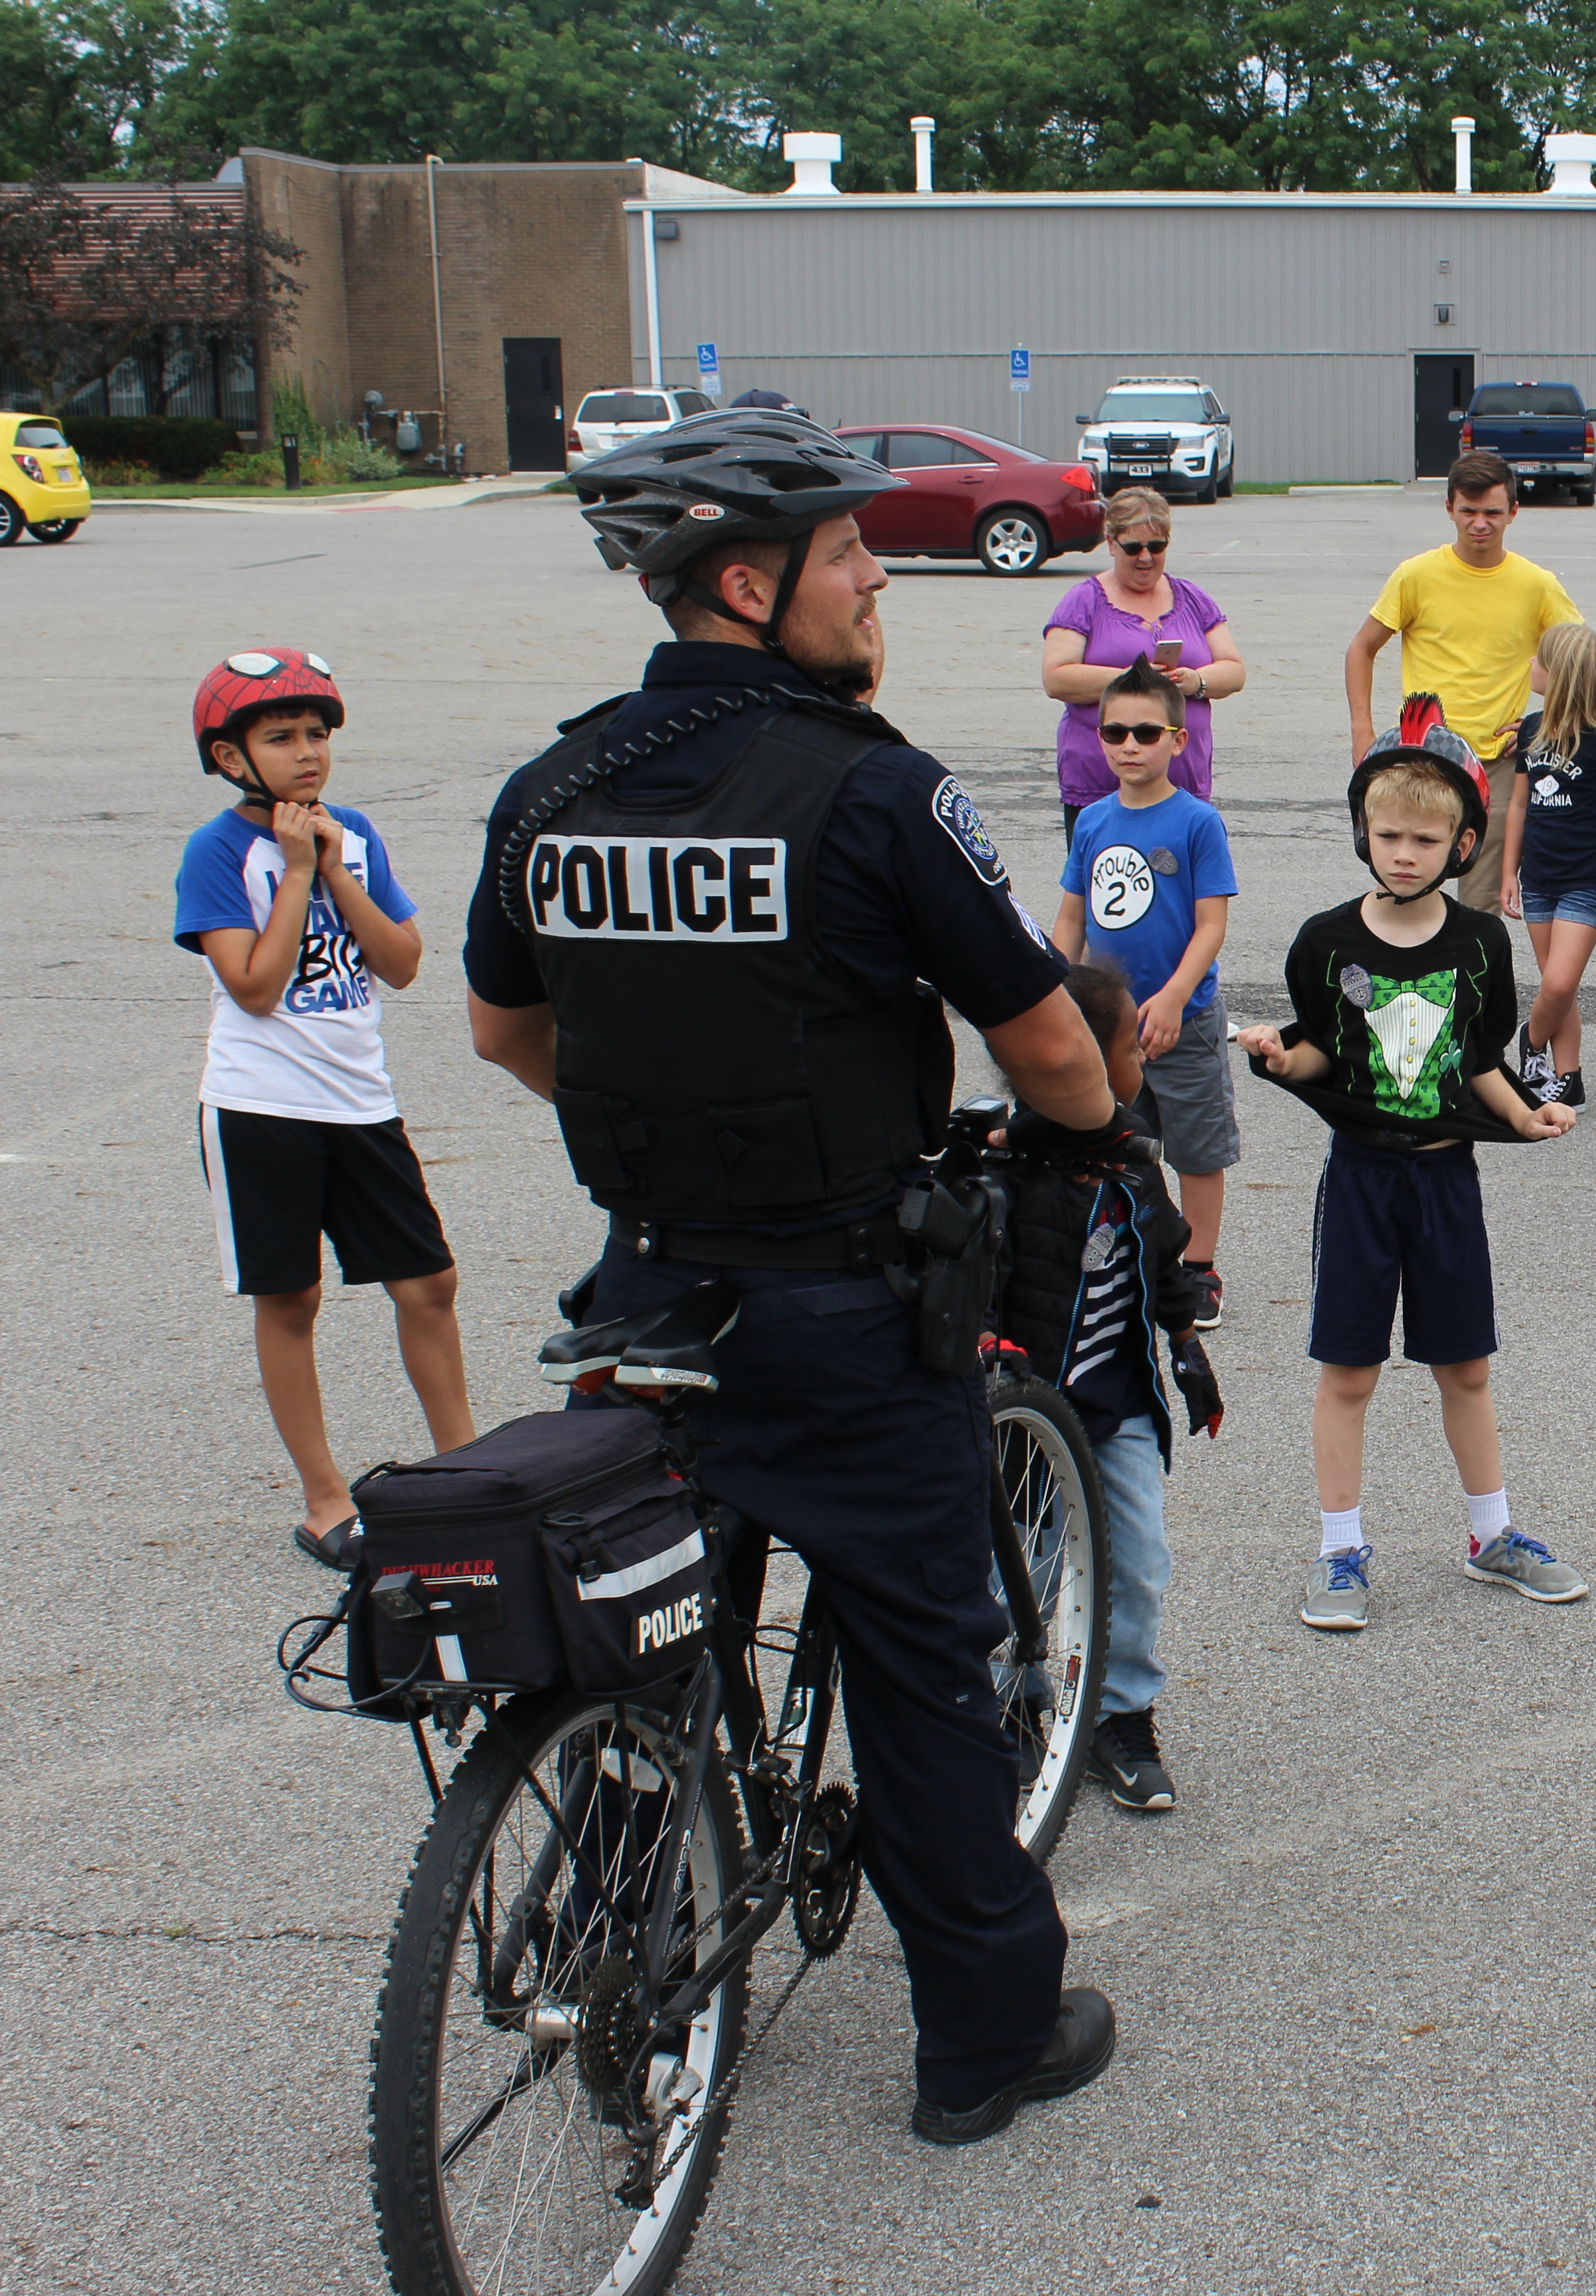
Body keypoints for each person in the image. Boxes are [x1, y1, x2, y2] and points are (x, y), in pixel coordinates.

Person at [464, 406, 1124, 2148]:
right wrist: (1085, 1127)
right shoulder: (876, 785)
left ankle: (632, 1938)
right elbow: (1050, 1043)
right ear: (747, 585)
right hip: (845, 1314)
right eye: (848, 556)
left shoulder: (558, 786)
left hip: (647, 1296)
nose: (876, 583)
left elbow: (500, 1027)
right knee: (925, 1674)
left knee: (649, 1638)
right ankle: (985, 2038)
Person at [1232, 705, 1583, 1634]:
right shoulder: (1323, 941)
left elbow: (1477, 1061)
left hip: (1445, 1180)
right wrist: (1278, 1054)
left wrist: (1526, 1112)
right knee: (1349, 1372)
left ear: (1462, 844)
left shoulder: (1479, 943)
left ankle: (1492, 1536)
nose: (1404, 854)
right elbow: (1319, 1056)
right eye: (1388, 836)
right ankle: (1339, 1550)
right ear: (1364, 834)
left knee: (1465, 1367)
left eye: (1425, 840)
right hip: (1360, 1181)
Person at [172, 648, 474, 1569]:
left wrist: (338, 867)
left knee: (428, 1283)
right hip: (260, 1106)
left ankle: (467, 1479)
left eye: (316, 733)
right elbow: (255, 987)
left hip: (360, 1101)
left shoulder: (358, 835)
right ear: (231, 759)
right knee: (292, 1296)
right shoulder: (221, 851)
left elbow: (405, 961)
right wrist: (297, 872)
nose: (307, 753)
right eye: (280, 737)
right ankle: (324, 1497)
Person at [998, 959, 1226, 1814]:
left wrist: (1188, 1352)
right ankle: (1014, 1709)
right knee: (1019, 1572)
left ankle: (1118, 1715)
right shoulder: (1008, 1175)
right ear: (1078, 1062)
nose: (1143, 1054)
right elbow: (982, 1293)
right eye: (1131, 1041)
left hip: (1120, 1409)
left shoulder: (1135, 1161)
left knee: (1136, 1565)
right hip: (1027, 1420)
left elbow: (1163, 1261)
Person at [1050, 663, 1240, 1330]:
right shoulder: (1094, 821)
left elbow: (1211, 925)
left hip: (1180, 1020)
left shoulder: (1197, 823)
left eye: (1145, 732)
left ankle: (1198, 1269)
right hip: (1107, 1025)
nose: (1128, 745)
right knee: (1109, 1139)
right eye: (1113, 732)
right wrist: (1057, 991)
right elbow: (1072, 918)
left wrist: (1172, 996)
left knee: (1196, 1147)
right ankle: (1121, 1250)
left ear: (1177, 741)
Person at [1342, 450, 1584, 916]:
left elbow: (1581, 662)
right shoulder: (1416, 575)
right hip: (1422, 755)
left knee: (1480, 904)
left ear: (1514, 512)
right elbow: (1361, 649)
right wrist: (1362, 732)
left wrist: (1545, 723)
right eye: (1468, 511)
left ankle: (1471, 988)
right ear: (1449, 508)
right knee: (1408, 882)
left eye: (1492, 512)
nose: (1480, 524)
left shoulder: (1536, 585)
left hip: (1496, 762)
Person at [1044, 487, 1243, 837]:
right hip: (1101, 786)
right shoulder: (1084, 600)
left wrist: (1195, 680)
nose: (1146, 558)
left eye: (1157, 547)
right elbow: (1057, 678)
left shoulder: (1194, 599)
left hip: (1182, 785)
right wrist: (1131, 679)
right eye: (1133, 547)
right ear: (1110, 543)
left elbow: (1233, 669)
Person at [1505, 621, 1596, 1112]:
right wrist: (1508, 875)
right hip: (1538, 879)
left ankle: (1531, 1039)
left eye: (1538, 660)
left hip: (1588, 878)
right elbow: (1518, 806)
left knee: (1560, 983)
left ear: (1562, 676)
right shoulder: (1531, 730)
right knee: (1554, 985)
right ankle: (1569, 1077)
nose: (1530, 667)